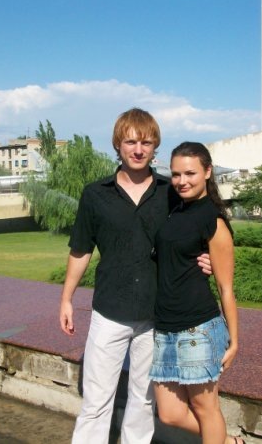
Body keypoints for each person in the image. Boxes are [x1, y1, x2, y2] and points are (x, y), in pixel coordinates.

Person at [59, 108, 211, 444]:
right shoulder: (96, 194)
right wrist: (66, 299)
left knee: (143, 402)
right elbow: (81, 249)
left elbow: (198, 230)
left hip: (156, 314)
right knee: (96, 402)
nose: (138, 150)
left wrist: (207, 256)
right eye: (131, 142)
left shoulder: (171, 192)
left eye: (146, 142)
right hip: (109, 311)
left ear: (155, 146)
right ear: (118, 144)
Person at [149, 142, 242, 444]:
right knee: (170, 414)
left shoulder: (213, 220)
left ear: (208, 172)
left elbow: (226, 288)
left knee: (205, 409)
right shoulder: (175, 210)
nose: (182, 181)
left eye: (190, 173)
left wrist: (234, 340)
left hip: (198, 328)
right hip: (165, 328)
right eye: (176, 174)